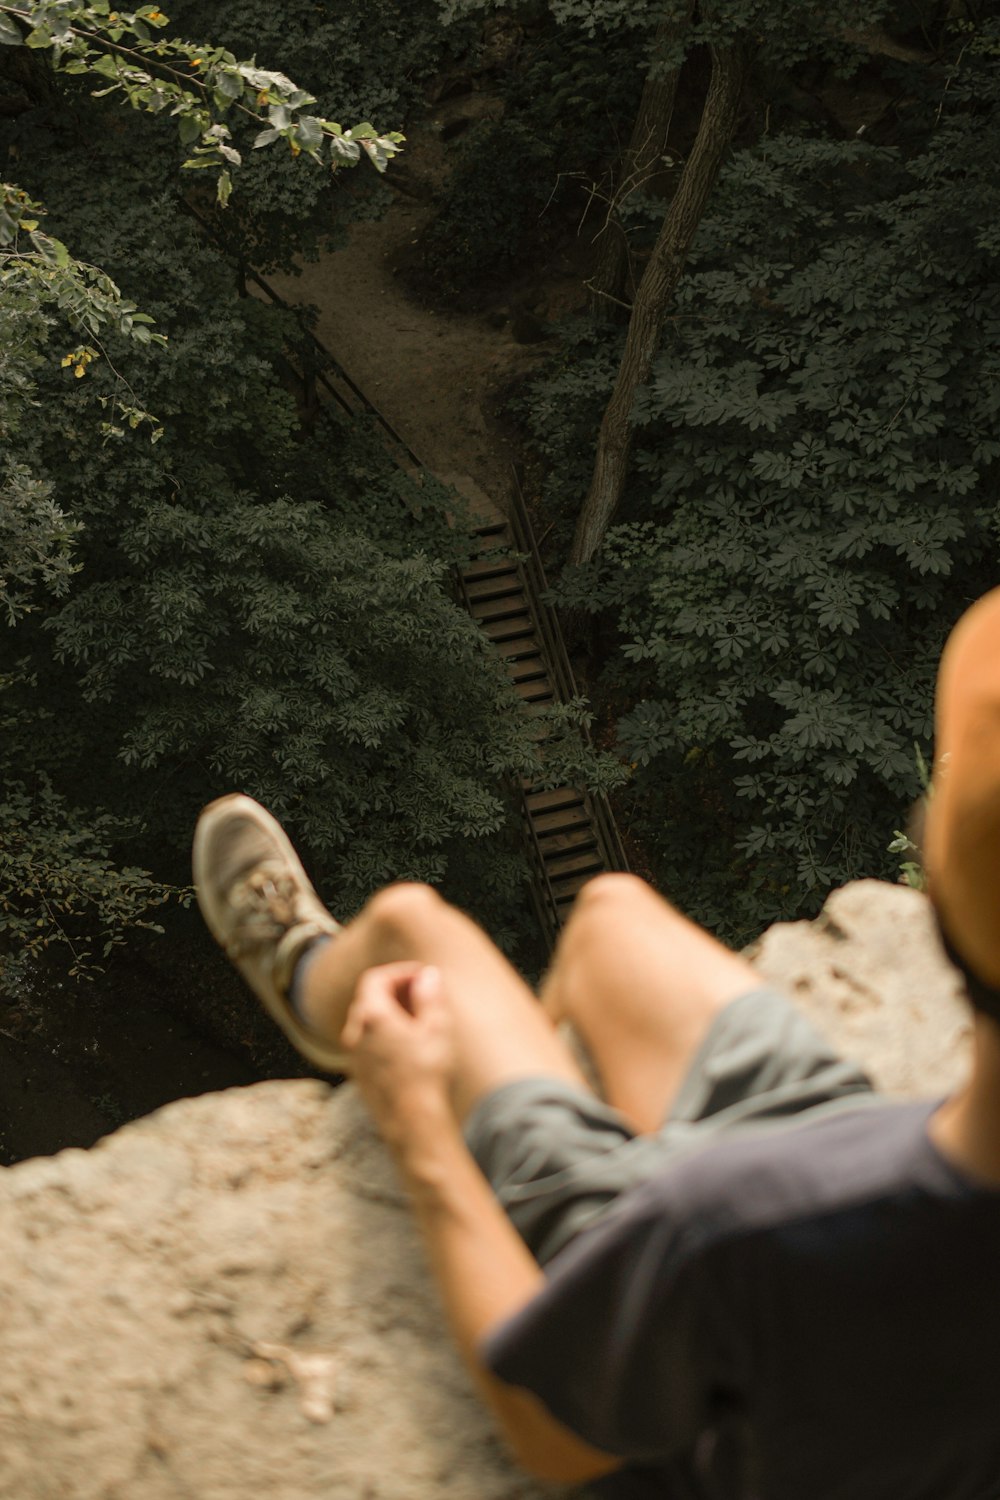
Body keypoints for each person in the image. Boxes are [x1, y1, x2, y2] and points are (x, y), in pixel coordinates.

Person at [192, 590, 1000, 1500]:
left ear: (933, 875)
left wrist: (415, 1126)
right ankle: (533, 1102)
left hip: (756, 1308)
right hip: (865, 1179)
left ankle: (319, 980)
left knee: (417, 930)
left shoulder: (731, 1227)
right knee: (613, 918)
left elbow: (553, 1436)